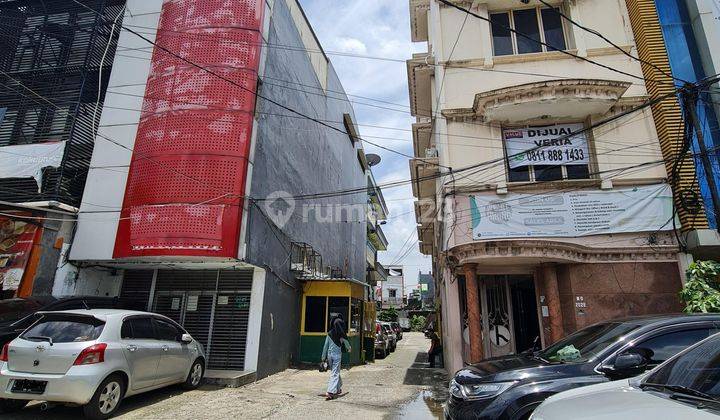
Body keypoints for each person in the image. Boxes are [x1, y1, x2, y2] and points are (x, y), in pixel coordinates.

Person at [321, 313, 351, 400]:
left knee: (335, 371)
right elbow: (347, 344)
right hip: (337, 356)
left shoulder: (329, 333)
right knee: (335, 372)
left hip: (329, 355)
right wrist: (349, 348)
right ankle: (330, 391)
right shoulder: (341, 335)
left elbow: (325, 346)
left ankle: (338, 388)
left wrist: (323, 358)